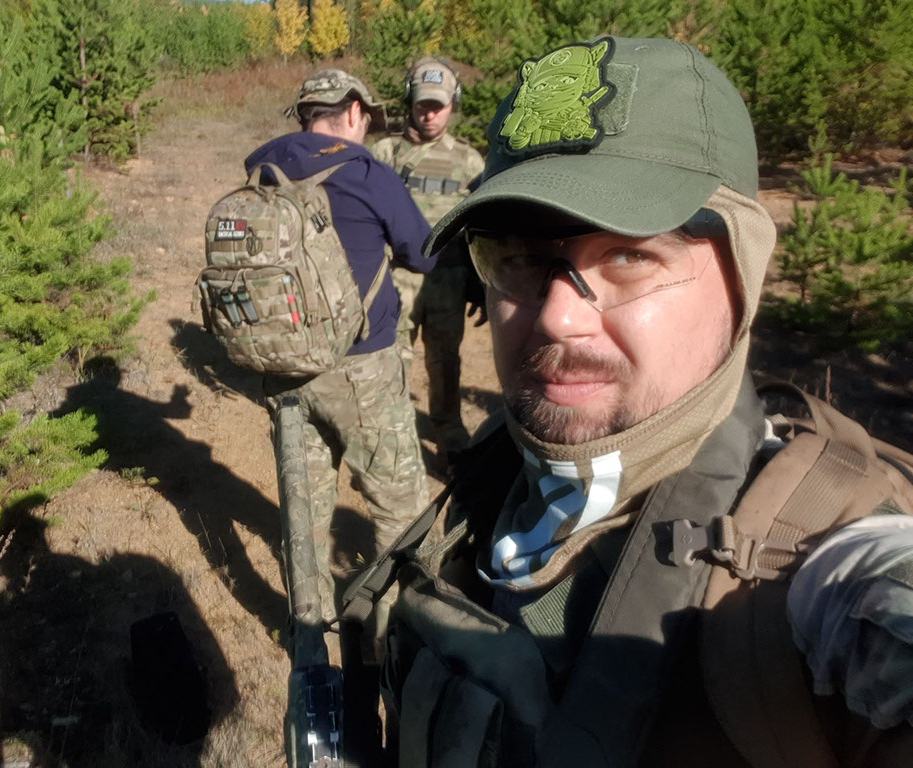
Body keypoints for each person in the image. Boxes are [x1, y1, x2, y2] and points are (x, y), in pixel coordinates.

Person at [374, 37, 913, 766]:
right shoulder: (496, 476)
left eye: (629, 255)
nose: (557, 317)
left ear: (744, 276)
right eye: (520, 258)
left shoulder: (816, 582)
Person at [245, 69, 435, 620]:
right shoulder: (368, 173)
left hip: (283, 367)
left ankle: (311, 630)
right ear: (354, 111)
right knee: (400, 509)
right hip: (361, 371)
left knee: (303, 516)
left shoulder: (261, 171)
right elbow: (423, 254)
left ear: (305, 116)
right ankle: (395, 632)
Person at [370, 57, 485, 469]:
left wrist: (482, 283)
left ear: (453, 104)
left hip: (447, 280)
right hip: (394, 278)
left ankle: (449, 432)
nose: (430, 114)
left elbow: (480, 228)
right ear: (410, 101)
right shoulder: (383, 153)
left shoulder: (470, 162)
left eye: (438, 106)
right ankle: (390, 436)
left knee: (445, 360)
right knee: (390, 357)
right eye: (422, 105)